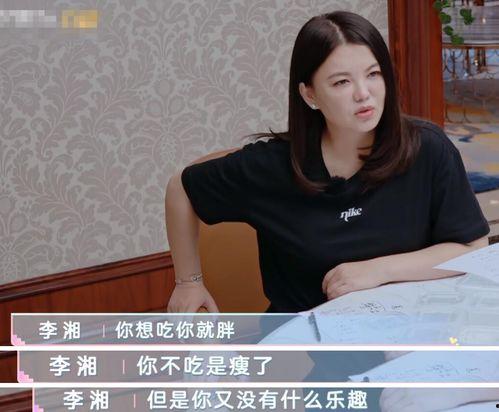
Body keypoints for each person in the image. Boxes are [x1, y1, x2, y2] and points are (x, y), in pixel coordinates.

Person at [165, 10, 489, 315]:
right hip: (303, 341)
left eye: (373, 74)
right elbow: (182, 187)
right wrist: (188, 283)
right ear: (310, 95)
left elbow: (471, 247)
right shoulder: (272, 166)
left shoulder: (426, 148)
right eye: (341, 82)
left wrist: (379, 271)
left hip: (407, 331)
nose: (363, 93)